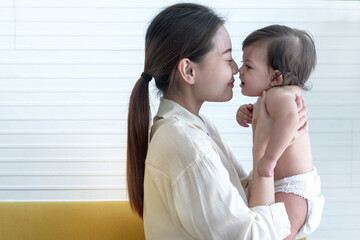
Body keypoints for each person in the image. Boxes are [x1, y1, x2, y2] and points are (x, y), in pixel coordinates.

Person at [127, 4, 308, 240]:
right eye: (228, 58)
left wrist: (276, 144)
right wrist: (264, 159)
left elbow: (243, 200)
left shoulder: (195, 128)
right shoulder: (187, 146)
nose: (235, 69)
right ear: (189, 71)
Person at [236, 25, 325, 239]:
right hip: (288, 184)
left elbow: (289, 120)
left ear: (276, 77)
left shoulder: (280, 96)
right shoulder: (274, 95)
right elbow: (275, 121)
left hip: (292, 188)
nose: (239, 71)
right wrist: (249, 113)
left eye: (248, 66)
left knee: (278, 235)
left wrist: (269, 158)